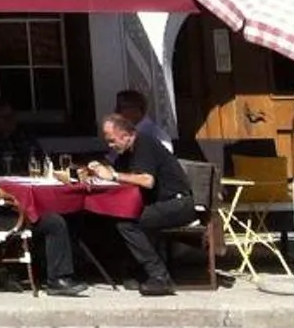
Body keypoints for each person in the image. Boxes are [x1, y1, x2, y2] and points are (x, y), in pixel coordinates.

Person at [39, 110, 194, 298]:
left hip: (177, 203)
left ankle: (159, 276)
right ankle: (128, 270)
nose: (110, 146)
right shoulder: (127, 150)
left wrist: (112, 175)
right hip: (159, 203)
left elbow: (147, 180)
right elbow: (117, 171)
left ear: (126, 135)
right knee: (104, 218)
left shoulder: (145, 144)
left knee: (128, 223)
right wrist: (97, 169)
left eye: (113, 141)